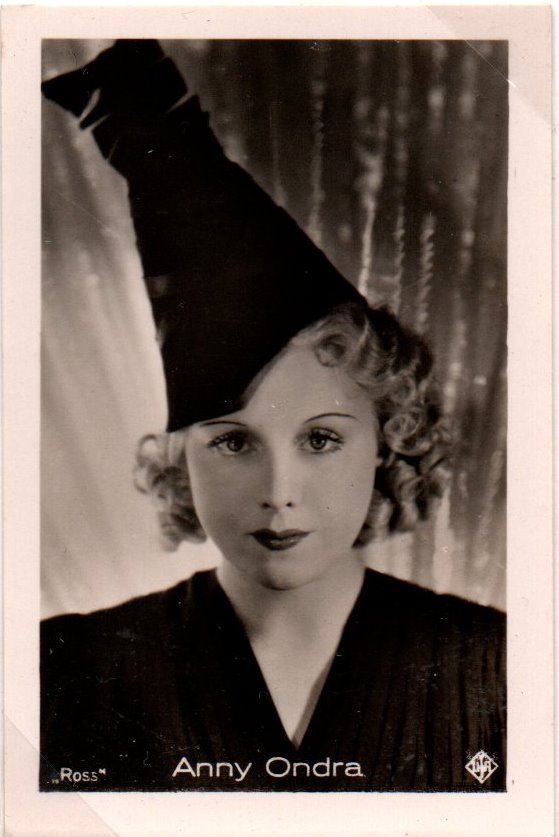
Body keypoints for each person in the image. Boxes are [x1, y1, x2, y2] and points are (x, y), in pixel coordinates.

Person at [40, 40, 505, 792]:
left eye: (320, 438)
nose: (277, 491)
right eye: (232, 442)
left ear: (387, 440)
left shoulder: (499, 665)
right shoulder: (61, 671)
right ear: (179, 459)